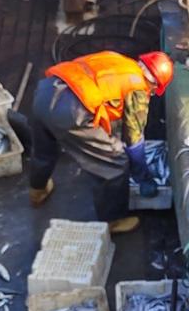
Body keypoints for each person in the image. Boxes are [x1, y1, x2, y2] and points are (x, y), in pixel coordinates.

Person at [27, 49, 174, 233]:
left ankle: (37, 191)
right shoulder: (138, 89)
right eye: (154, 91)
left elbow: (102, 90)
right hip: (70, 112)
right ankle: (112, 220)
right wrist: (141, 175)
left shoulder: (120, 60)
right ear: (154, 84)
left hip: (46, 90)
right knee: (115, 163)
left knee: (44, 147)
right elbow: (134, 139)